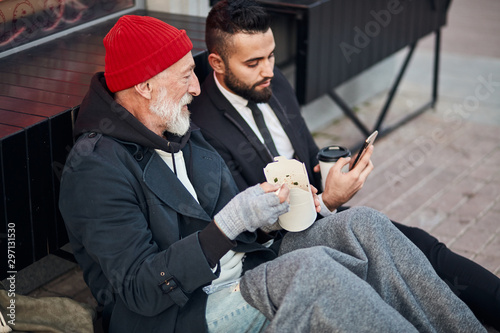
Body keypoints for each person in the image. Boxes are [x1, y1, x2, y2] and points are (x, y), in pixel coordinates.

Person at [58, 14, 486, 333]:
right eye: (186, 76)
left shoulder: (179, 130)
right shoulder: (96, 168)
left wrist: (273, 215)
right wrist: (229, 224)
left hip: (244, 271)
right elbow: (139, 289)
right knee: (312, 271)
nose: (195, 88)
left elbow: (241, 226)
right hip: (183, 313)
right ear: (145, 86)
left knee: (364, 225)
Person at [189, 0, 500, 330]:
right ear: (217, 63)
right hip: (278, 247)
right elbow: (247, 229)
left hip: (320, 210)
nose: (268, 69)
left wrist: (331, 172)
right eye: (253, 62)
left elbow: (305, 151)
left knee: (422, 247)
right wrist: (327, 202)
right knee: (393, 266)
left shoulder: (271, 82)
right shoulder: (203, 128)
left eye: (271, 56)